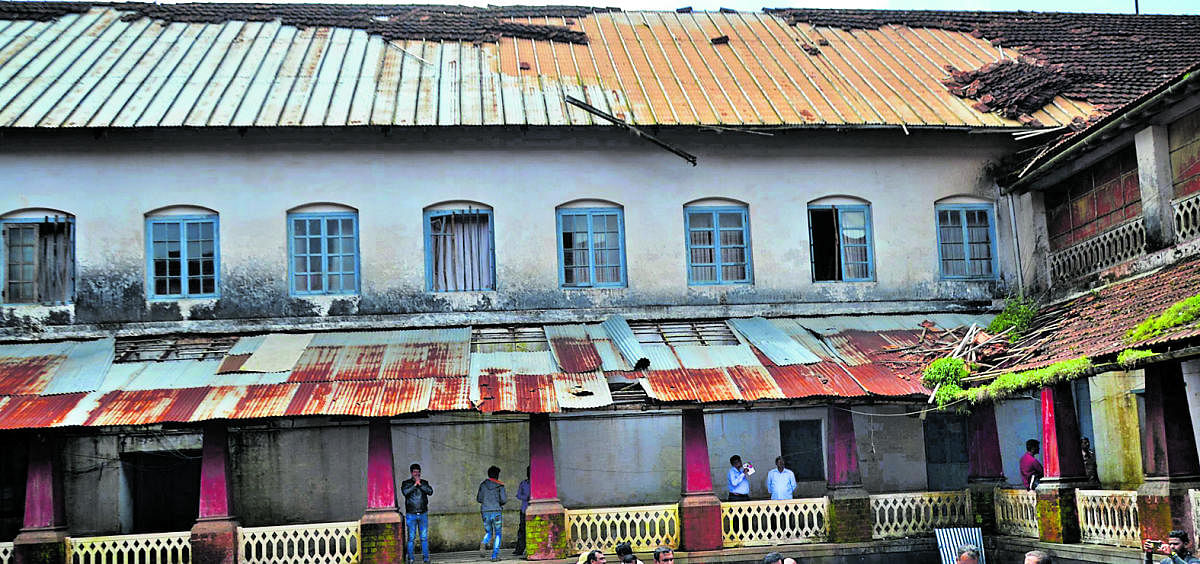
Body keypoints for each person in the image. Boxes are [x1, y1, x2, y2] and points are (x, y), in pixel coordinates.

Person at [400, 463, 433, 564]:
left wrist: (420, 484)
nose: (416, 474)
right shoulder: (406, 483)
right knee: (411, 538)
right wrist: (415, 484)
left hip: (423, 514)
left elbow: (430, 491)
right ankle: (410, 559)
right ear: (411, 473)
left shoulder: (424, 482)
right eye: (414, 472)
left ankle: (426, 559)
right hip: (411, 515)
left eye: (418, 472)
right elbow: (405, 492)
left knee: (424, 538)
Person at [477, 465, 507, 562]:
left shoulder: (483, 485)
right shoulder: (500, 486)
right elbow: (504, 499)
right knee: (498, 534)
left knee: (489, 532)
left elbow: (479, 499)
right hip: (496, 512)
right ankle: (494, 556)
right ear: (497, 475)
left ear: (489, 474)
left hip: (485, 511)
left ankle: (484, 542)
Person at [514, 466, 531, 556]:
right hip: (524, 510)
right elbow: (518, 495)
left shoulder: (538, 483)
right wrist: (526, 497)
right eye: (528, 472)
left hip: (535, 510)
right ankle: (519, 549)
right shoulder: (523, 483)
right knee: (522, 530)